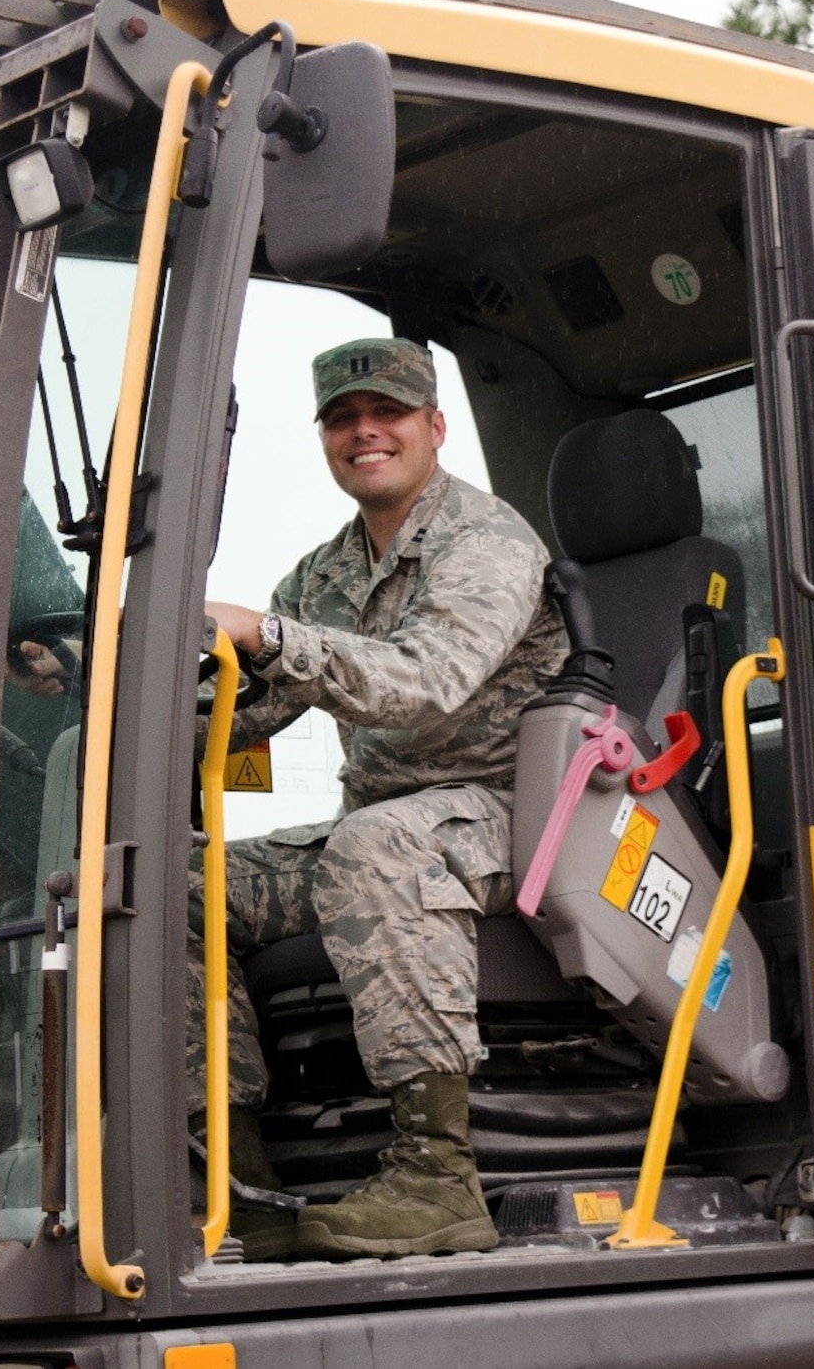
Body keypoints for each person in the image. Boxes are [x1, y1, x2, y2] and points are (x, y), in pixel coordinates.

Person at [193, 337, 567, 1260]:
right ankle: (230, 1178)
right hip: (390, 817)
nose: (365, 432)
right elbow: (245, 716)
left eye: (387, 413)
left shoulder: (489, 543)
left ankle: (438, 1177)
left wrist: (273, 635)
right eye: (342, 418)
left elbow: (429, 679)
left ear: (434, 427)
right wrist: (107, 671)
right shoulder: (324, 575)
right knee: (181, 883)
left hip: (510, 814)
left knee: (378, 846)